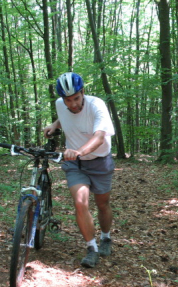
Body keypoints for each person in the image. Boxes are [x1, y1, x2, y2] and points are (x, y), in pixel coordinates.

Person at [44, 72, 115, 268]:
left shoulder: (96, 105)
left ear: (82, 92)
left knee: (102, 204)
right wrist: (54, 124)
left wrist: (79, 151)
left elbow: (99, 137)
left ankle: (106, 237)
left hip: (100, 161)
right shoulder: (61, 105)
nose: (73, 104)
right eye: (68, 100)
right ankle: (92, 248)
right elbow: (64, 116)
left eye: (76, 98)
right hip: (75, 164)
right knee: (80, 202)